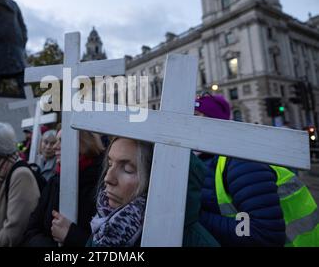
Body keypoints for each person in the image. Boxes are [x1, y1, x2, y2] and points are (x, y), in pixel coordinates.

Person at [195, 93, 319, 246]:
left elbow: (263, 234)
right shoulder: (203, 159)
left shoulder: (242, 161)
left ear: (215, 122)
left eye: (196, 116)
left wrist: (192, 216)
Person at [87, 137, 219, 247]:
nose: (108, 178)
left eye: (127, 169)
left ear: (157, 178)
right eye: (110, 164)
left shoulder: (196, 242)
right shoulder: (104, 225)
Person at [23, 129, 104, 247]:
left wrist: (73, 236)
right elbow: (31, 230)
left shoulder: (102, 185)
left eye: (62, 141)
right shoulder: (54, 181)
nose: (55, 147)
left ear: (84, 143)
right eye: (56, 141)